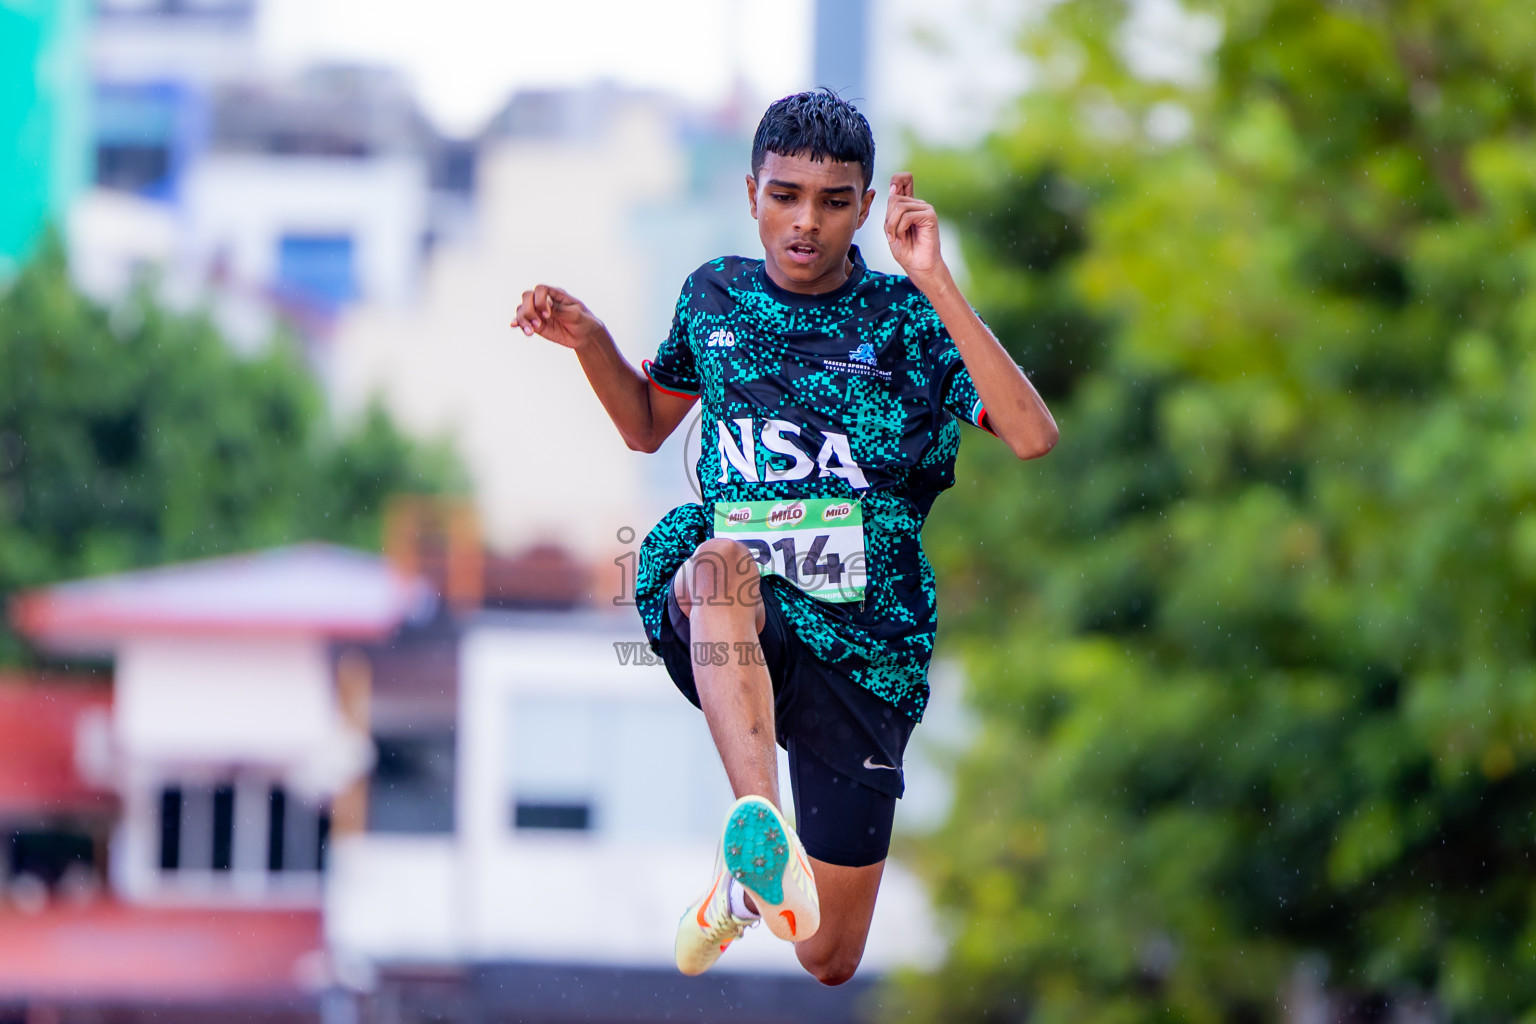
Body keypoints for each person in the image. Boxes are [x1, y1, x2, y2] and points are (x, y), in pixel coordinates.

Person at [513, 89, 1058, 985]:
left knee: (828, 956)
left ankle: (740, 889)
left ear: (867, 206)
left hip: (866, 638)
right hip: (744, 608)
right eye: (785, 195)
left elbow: (1032, 436)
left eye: (834, 202)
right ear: (752, 191)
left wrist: (934, 279)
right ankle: (758, 823)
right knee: (716, 564)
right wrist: (590, 339)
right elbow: (649, 423)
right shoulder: (713, 296)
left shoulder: (905, 322)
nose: (806, 222)